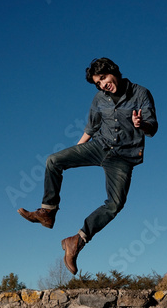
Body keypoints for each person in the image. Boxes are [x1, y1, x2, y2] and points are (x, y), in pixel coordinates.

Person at [18, 57, 158, 275]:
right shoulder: (99, 98)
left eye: (103, 78)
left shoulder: (140, 93)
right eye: (98, 83)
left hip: (123, 156)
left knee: (115, 204)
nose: (103, 85)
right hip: (99, 146)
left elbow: (152, 128)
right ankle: (48, 212)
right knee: (54, 160)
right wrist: (75, 154)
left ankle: (76, 241)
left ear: (113, 72)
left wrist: (142, 124)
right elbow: (91, 127)